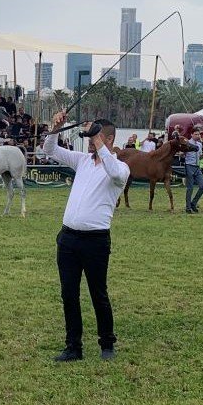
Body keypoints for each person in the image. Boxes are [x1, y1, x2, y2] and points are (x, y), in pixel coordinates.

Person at [40, 111, 129, 362]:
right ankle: (73, 346)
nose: (90, 141)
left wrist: (98, 141)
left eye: (97, 137)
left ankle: (107, 343)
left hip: (95, 241)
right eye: (91, 137)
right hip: (68, 238)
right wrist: (55, 128)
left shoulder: (120, 167)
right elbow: (50, 150)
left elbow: (115, 173)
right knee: (69, 294)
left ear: (109, 139)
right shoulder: (83, 161)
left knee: (98, 292)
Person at [181, 131, 203, 213]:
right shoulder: (187, 143)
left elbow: (199, 157)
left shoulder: (199, 144)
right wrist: (182, 153)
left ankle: (193, 203)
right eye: (195, 134)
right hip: (189, 166)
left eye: (198, 134)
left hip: (197, 167)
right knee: (190, 188)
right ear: (191, 134)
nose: (197, 136)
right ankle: (188, 207)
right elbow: (182, 154)